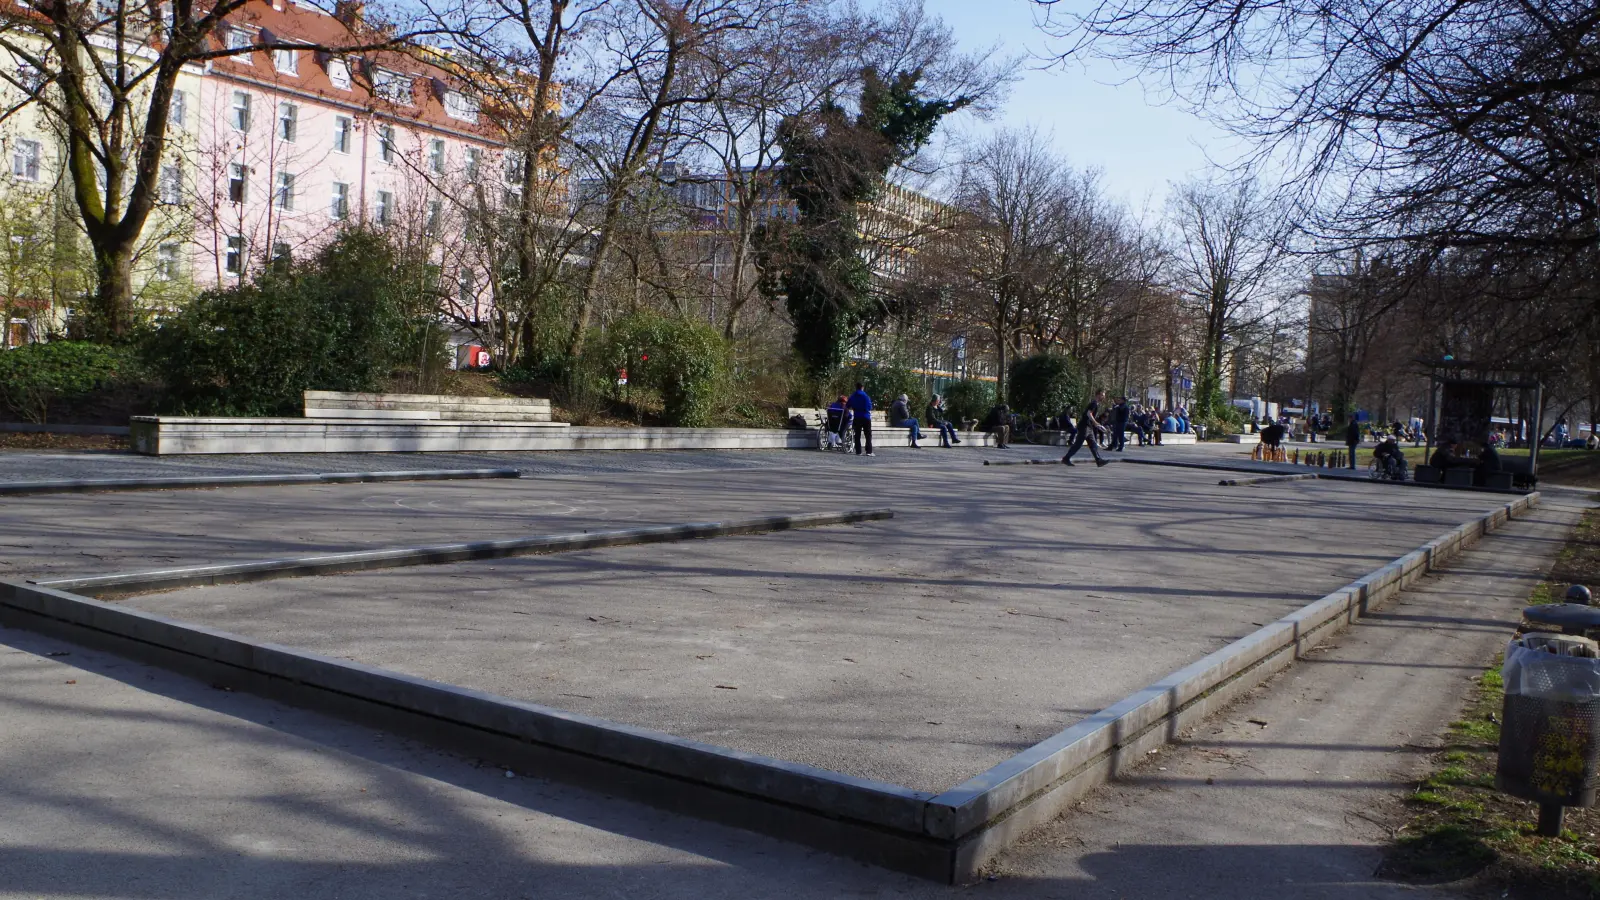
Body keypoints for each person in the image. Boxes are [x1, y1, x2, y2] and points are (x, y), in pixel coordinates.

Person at [1063, 389, 1110, 467]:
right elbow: (1089, 413)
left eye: (1104, 395)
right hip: (1084, 426)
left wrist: (1098, 426)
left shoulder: (1096, 404)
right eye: (1102, 395)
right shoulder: (1094, 403)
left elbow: (1090, 416)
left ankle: (1098, 460)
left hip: (1089, 427)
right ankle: (1066, 458)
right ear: (1097, 395)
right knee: (1078, 444)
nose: (1103, 397)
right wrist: (1095, 422)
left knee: (1093, 444)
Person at [846, 382, 874, 456]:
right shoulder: (866, 396)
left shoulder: (852, 396)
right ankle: (869, 451)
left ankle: (858, 451)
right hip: (865, 417)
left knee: (857, 434)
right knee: (868, 435)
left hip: (857, 417)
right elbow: (869, 407)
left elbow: (847, 405)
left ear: (856, 387)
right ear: (862, 387)